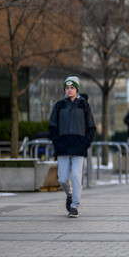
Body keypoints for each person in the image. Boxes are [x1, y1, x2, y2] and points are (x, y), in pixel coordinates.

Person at [48, 76, 95, 218]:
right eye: (67, 88)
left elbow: (91, 127)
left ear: (77, 89)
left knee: (76, 176)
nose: (69, 90)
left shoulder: (84, 105)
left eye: (72, 88)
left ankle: (75, 206)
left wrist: (85, 143)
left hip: (79, 148)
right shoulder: (59, 105)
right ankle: (69, 194)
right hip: (62, 147)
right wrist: (56, 141)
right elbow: (52, 126)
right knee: (62, 179)